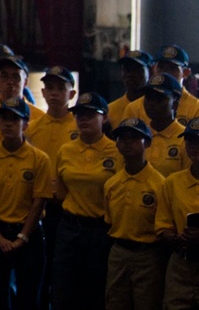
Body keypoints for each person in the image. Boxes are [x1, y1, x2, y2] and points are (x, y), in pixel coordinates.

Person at [0, 97, 52, 310]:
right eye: (4, 119)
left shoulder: (39, 159)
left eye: (14, 119)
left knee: (28, 298)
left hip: (28, 234)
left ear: (25, 124)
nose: (8, 124)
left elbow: (39, 202)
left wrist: (22, 237)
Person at [51, 92, 122, 310]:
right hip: (71, 228)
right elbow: (61, 192)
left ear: (105, 118)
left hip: (100, 231)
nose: (83, 119)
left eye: (90, 115)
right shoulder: (66, 150)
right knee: (64, 292)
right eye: (79, 115)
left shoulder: (116, 151)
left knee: (95, 292)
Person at [24, 65, 78, 305]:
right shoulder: (32, 129)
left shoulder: (80, 127)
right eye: (50, 88)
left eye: (60, 88)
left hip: (69, 211)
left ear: (72, 94)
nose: (54, 93)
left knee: (66, 275)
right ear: (43, 93)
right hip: (39, 209)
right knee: (38, 272)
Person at [102, 118, 166, 310]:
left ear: (147, 142)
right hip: (119, 251)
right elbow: (110, 220)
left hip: (147, 254)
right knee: (115, 302)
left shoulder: (159, 184)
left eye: (134, 138)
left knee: (147, 302)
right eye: (122, 138)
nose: (127, 142)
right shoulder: (112, 184)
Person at [154, 117, 199, 310]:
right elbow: (163, 226)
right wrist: (176, 238)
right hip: (182, 264)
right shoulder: (172, 182)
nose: (194, 145)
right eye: (189, 140)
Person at [123, 45, 199, 125]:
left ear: (185, 73)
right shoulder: (134, 108)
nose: (165, 73)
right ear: (153, 69)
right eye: (161, 67)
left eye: (172, 68)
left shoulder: (196, 107)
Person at [0, 55, 45, 139]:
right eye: (4, 76)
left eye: (16, 77)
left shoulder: (39, 118)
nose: (10, 82)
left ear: (25, 82)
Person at [141, 73, 190, 177]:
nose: (152, 103)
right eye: (148, 98)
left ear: (175, 104)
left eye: (159, 98)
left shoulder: (186, 139)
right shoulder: (139, 136)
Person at [107, 51, 153, 127]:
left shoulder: (156, 109)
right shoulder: (110, 111)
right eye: (127, 70)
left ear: (150, 72)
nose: (131, 74)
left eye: (137, 70)